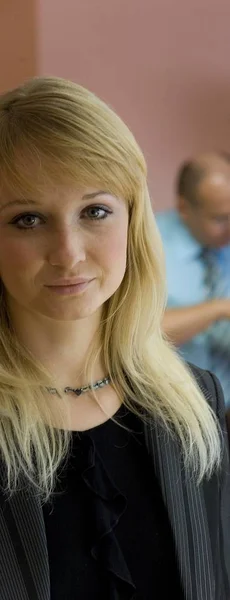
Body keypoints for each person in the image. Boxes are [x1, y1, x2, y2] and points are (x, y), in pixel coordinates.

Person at [0, 79, 229, 600]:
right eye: (27, 219)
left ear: (132, 218)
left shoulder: (194, 402)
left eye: (94, 211)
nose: (69, 252)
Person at [156, 152, 230, 414]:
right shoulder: (146, 244)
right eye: (221, 219)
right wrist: (218, 310)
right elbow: (138, 335)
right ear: (185, 209)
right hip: (173, 408)